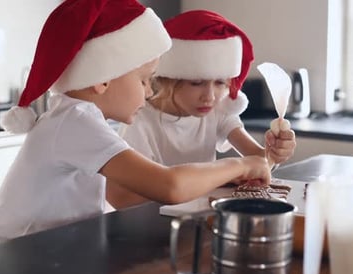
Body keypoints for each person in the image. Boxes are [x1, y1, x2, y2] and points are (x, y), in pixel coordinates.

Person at [0, 0, 271, 247]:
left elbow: (140, 190)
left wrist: (220, 179)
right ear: (103, 78)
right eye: (144, 79)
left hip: (46, 249)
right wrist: (241, 166)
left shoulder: (80, 117)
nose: (150, 91)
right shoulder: (76, 121)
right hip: (10, 256)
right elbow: (168, 185)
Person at [107, 10, 296, 209]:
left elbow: (259, 161)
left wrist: (274, 153)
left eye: (220, 83)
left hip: (200, 216)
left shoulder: (217, 111)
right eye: (197, 83)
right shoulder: (141, 121)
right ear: (168, 79)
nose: (210, 96)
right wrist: (216, 177)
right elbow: (121, 197)